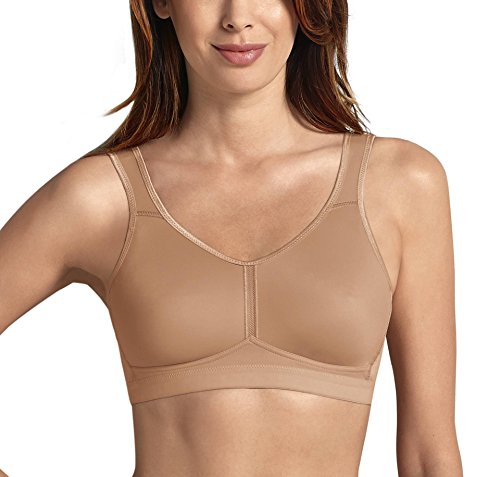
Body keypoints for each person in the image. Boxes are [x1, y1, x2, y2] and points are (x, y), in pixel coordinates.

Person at [0, 1, 463, 476]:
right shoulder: (102, 197)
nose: (237, 17)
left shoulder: (400, 185)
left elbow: (429, 453)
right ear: (162, 3)